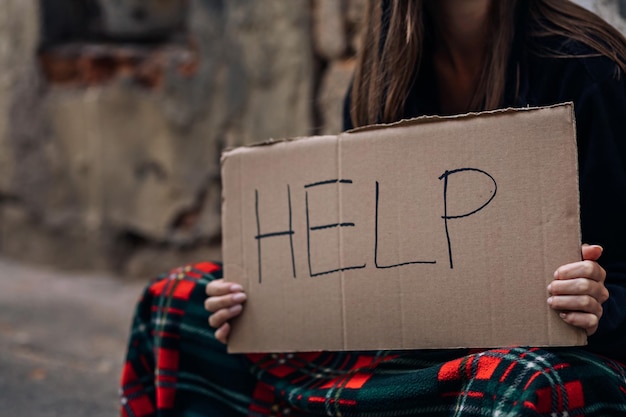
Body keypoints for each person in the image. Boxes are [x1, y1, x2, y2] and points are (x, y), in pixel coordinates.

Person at [120, 1, 626, 416]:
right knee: (177, 300)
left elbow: (619, 279)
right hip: (408, 352)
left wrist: (598, 305)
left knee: (516, 383)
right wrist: (262, 305)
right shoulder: (387, 70)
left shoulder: (585, 66)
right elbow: (359, 265)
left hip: (536, 356)